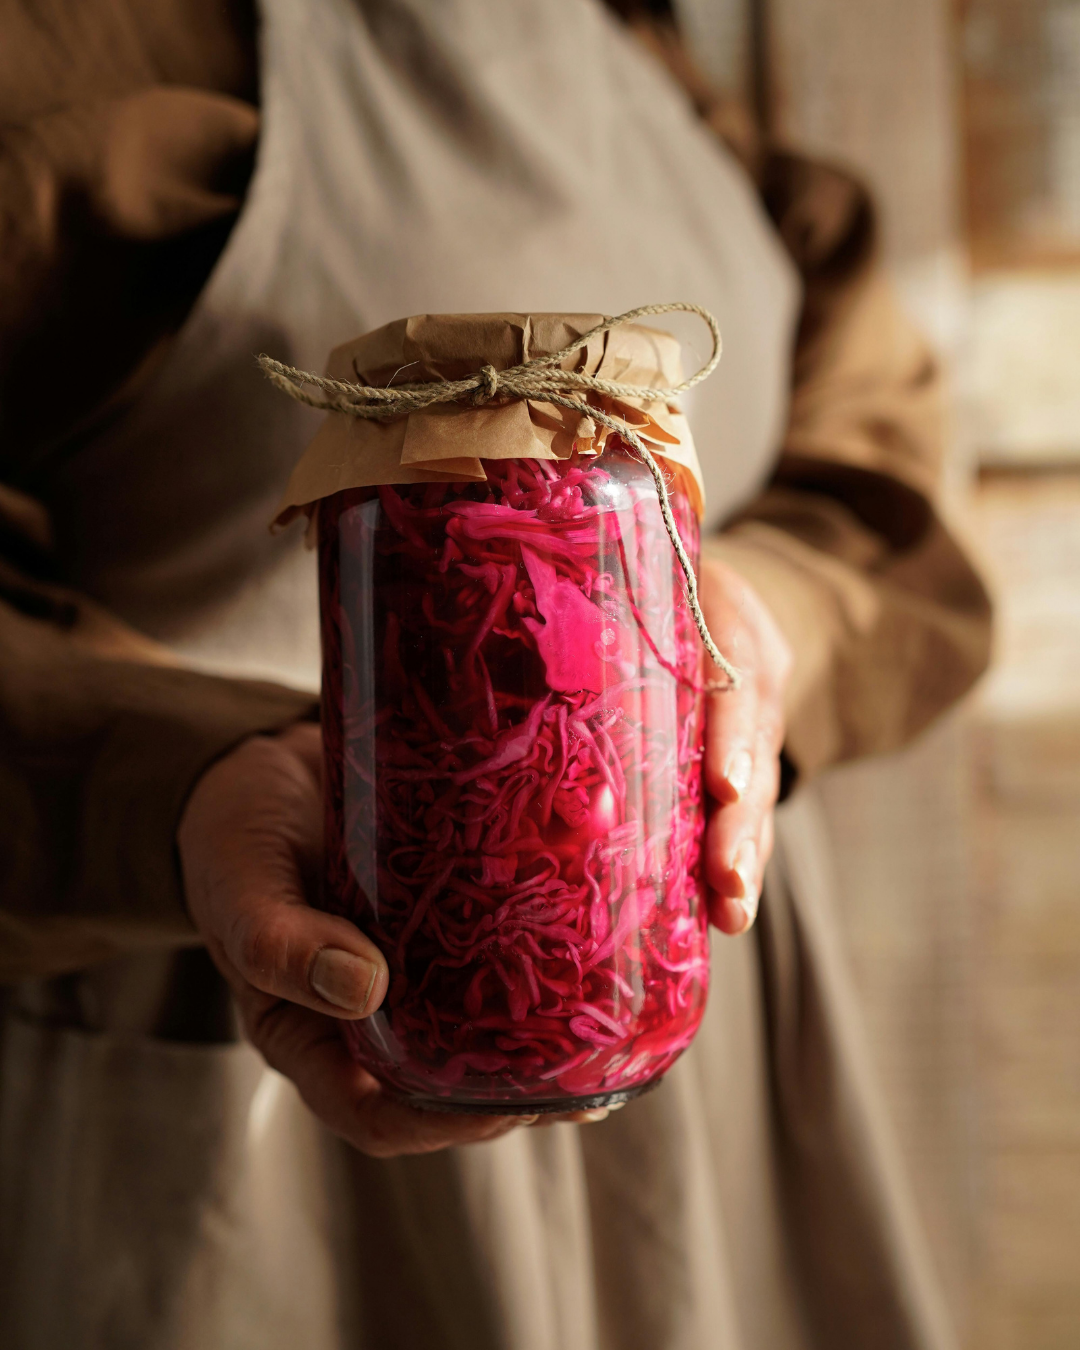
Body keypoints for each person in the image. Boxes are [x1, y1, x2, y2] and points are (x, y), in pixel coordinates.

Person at [0, 1, 991, 1347]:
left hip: (681, 997)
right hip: (259, 1007)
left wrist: (763, 615)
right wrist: (175, 775)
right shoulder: (79, 52)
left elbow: (880, 434)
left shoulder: (634, 38)